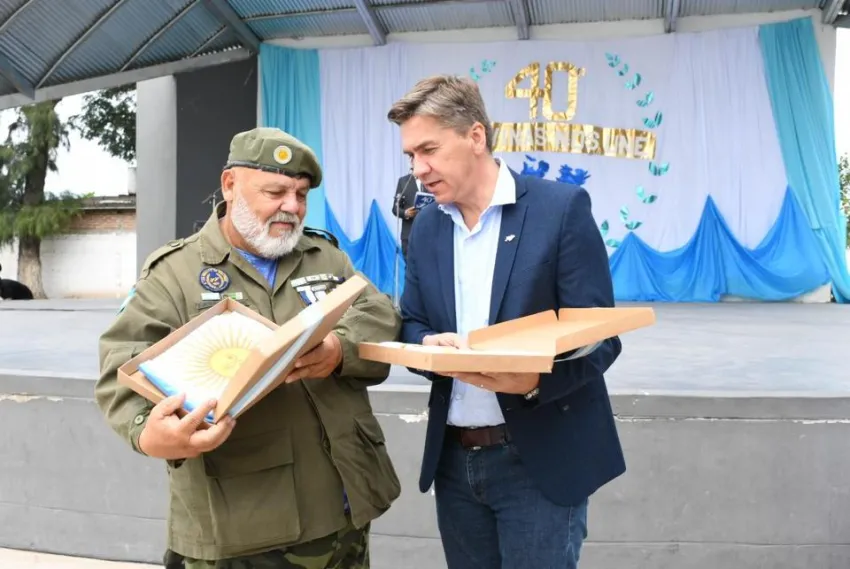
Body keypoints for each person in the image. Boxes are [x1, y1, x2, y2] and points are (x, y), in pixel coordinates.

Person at [94, 127, 402, 569]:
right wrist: (150, 432)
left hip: (346, 509)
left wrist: (338, 347)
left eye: (301, 195)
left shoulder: (324, 256)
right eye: (275, 192)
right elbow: (120, 365)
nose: (291, 207)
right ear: (230, 185)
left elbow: (379, 312)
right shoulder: (174, 273)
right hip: (243, 525)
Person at [387, 75, 625, 569]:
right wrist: (428, 346)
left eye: (428, 150)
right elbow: (412, 322)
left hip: (538, 461)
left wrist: (534, 382)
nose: (418, 169)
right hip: (454, 464)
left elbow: (601, 337)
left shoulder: (560, 209)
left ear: (476, 136)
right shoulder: (426, 226)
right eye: (410, 155)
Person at [390, 172, 420, 258]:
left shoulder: (431, 179)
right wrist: (405, 213)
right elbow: (395, 209)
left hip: (429, 234)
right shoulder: (403, 181)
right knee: (409, 264)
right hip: (409, 234)